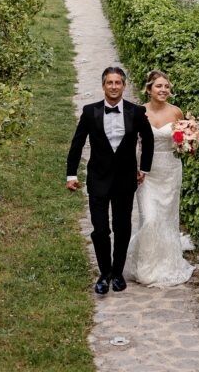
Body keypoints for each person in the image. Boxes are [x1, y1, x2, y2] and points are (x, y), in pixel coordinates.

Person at [66, 65, 154, 295]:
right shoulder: (89, 112)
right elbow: (77, 144)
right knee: (100, 229)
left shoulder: (135, 112)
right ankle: (104, 274)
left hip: (125, 180)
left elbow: (148, 138)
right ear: (103, 85)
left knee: (122, 227)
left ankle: (117, 273)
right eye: (109, 83)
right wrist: (71, 174)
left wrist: (144, 167)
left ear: (124, 86)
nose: (114, 86)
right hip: (98, 178)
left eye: (118, 83)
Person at [123, 69, 194, 287]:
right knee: (150, 218)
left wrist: (190, 143)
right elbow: (130, 142)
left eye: (166, 86)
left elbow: (184, 144)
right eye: (159, 86)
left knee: (166, 218)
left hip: (170, 171)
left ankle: (167, 263)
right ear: (149, 89)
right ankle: (145, 267)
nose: (163, 90)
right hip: (146, 171)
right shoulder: (138, 112)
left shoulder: (177, 113)